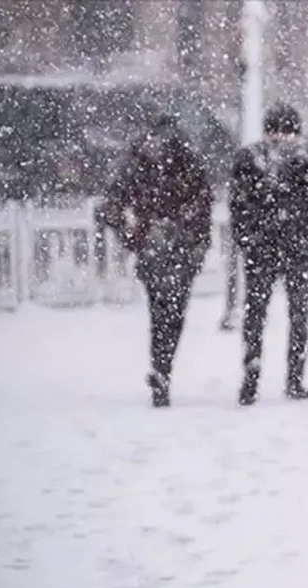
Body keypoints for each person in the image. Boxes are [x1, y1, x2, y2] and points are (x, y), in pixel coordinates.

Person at [95, 113, 213, 408]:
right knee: (173, 313)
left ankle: (161, 369)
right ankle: (163, 368)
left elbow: (110, 206)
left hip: (155, 247)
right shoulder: (187, 162)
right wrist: (197, 241)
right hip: (177, 247)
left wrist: (132, 234)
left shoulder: (139, 162)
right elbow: (203, 207)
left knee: (160, 312)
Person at [230, 102, 308, 405]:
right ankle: (293, 377)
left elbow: (239, 206)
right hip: (295, 247)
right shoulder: (306, 158)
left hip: (264, 247)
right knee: (296, 314)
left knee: (257, 312)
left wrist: (247, 238)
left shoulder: (249, 158)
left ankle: (253, 374)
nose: (281, 139)